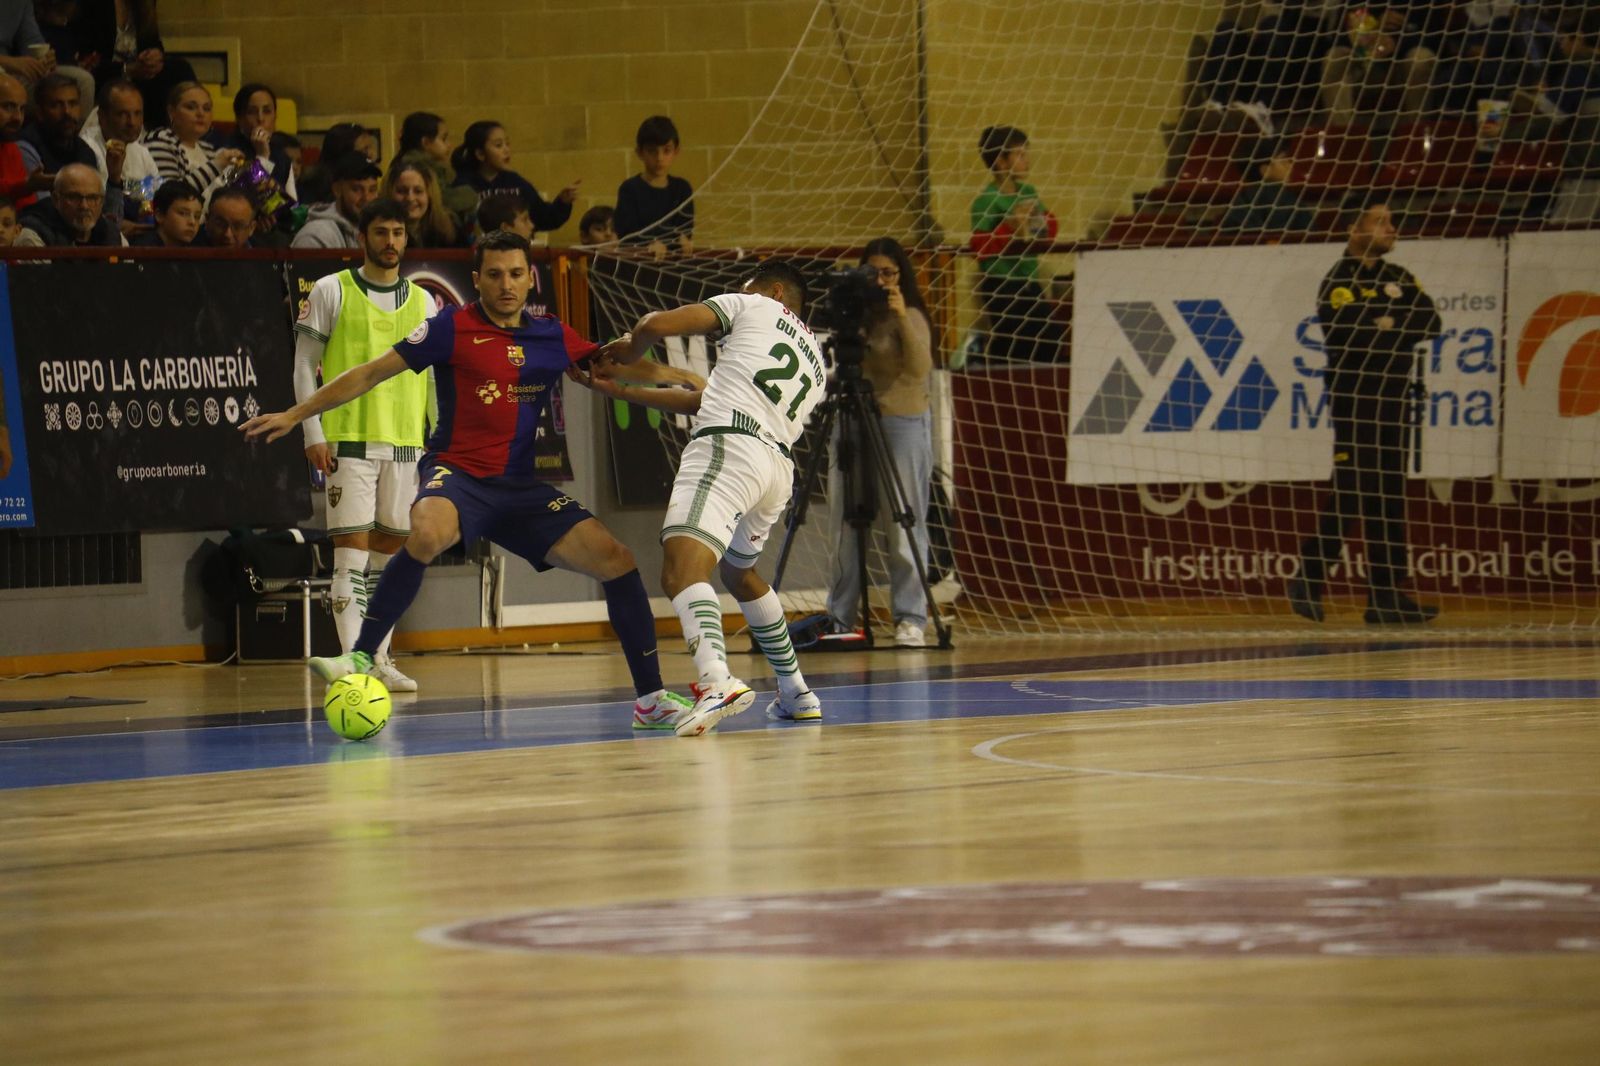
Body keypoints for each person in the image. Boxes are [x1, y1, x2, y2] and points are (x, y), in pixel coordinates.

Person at [241, 230, 694, 729]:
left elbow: (615, 361)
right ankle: (362, 657)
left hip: (520, 490)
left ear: (530, 278)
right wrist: (299, 414)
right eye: (495, 275)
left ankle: (651, 701)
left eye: (517, 274)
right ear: (476, 280)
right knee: (428, 531)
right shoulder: (448, 328)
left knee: (619, 562)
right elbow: (369, 373)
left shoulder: (552, 335)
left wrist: (687, 379)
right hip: (456, 475)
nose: (506, 285)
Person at [584, 260, 826, 737]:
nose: (740, 291)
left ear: (775, 292)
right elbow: (702, 398)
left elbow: (653, 324)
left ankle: (717, 680)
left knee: (680, 566)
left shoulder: (753, 305)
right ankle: (796, 691)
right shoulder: (814, 360)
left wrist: (628, 350)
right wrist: (617, 389)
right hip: (775, 468)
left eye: (749, 286)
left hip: (729, 447)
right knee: (739, 572)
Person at [290, 199, 433, 691]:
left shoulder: (424, 301)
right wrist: (313, 433)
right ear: (363, 238)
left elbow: (433, 379)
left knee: (388, 557)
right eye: (381, 231)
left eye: (398, 232)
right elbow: (303, 365)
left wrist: (437, 440)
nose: (390, 241)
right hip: (347, 439)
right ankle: (354, 666)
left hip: (406, 443)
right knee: (350, 552)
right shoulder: (333, 290)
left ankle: (378, 658)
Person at [1289, 201, 1442, 626]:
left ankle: (1385, 596)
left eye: (1392, 221)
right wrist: (1392, 326)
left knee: (1390, 496)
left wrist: (1388, 324)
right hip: (1357, 399)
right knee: (1354, 489)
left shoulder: (1399, 277)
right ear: (1354, 229)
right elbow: (1353, 334)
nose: (1392, 228)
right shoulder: (1339, 279)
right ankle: (1310, 576)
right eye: (1380, 222)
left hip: (1395, 398)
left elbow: (1430, 321)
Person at [820, 237, 935, 648]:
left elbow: (921, 368)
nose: (881, 280)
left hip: (902, 423)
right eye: (873, 272)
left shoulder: (913, 316)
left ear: (901, 276)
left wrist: (901, 315)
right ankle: (841, 618)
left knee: (904, 522)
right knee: (844, 524)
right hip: (853, 417)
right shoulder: (854, 316)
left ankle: (910, 618)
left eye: (889, 272)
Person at [969, 124, 1062, 364]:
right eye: (1020, 155)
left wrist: (1040, 221)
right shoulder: (986, 201)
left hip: (1029, 280)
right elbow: (979, 246)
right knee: (1012, 346)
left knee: (1049, 340)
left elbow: (1045, 232)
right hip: (1003, 284)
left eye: (1026, 153)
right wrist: (1009, 227)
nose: (1027, 160)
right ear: (1001, 162)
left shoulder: (1028, 191)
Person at [67, 0, 195, 123]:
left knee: (180, 69)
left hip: (139, 72)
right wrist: (127, 70)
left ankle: (191, 128)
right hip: (107, 75)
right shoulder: (94, 4)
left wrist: (155, 54)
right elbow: (87, 60)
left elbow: (153, 41)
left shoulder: (143, 4)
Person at [449, 119, 577, 233]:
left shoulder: (515, 182)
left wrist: (562, 203)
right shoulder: (463, 185)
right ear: (480, 154)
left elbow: (542, 217)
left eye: (507, 144)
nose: (506, 150)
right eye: (498, 145)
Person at [143, 81, 243, 202]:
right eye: (191, 107)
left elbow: (227, 190)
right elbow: (169, 197)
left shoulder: (207, 149)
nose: (201, 114)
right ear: (171, 112)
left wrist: (240, 173)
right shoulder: (160, 140)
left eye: (206, 108)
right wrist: (218, 164)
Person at [614, 115, 692, 259]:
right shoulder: (629, 189)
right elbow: (626, 233)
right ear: (640, 153)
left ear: (676, 151)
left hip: (674, 265)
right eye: (652, 151)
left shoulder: (682, 189)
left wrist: (682, 238)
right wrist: (649, 243)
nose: (659, 158)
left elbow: (685, 229)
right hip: (639, 265)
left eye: (666, 150)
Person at [83, 77, 156, 224]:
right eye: (123, 114)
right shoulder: (87, 148)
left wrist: (125, 186)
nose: (132, 123)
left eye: (137, 113)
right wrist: (139, 189)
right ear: (102, 117)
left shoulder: (141, 151)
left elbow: (155, 191)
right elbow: (100, 199)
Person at [1219, 139, 1316, 235]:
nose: (1289, 165)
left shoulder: (1241, 199)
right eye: (1283, 161)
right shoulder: (1284, 197)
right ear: (1265, 171)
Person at [222, 82, 297, 202]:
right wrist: (262, 157)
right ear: (239, 118)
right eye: (252, 112)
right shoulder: (228, 152)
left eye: (267, 111)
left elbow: (292, 206)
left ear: (275, 116)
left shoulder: (282, 157)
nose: (261, 119)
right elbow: (243, 196)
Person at [14, 159, 120, 244]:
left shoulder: (111, 233)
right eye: (74, 197)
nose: (84, 206)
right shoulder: (34, 235)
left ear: (101, 201)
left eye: (92, 198)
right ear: (56, 199)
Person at [396, 109, 474, 223]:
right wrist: (470, 195)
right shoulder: (419, 169)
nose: (449, 144)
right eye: (443, 139)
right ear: (426, 143)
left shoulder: (432, 166)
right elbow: (442, 200)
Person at [291, 152, 378, 249]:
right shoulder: (315, 237)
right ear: (337, 190)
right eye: (356, 189)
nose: (366, 198)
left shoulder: (378, 232)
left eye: (372, 190)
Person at [383, 157, 456, 248]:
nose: (410, 198)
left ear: (430, 195)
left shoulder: (450, 229)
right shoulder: (378, 234)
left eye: (418, 191)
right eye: (402, 191)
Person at [0, 72, 44, 210]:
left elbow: (27, 207)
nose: (18, 118)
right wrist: (26, 186)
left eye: (22, 109)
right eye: (8, 107)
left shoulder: (11, 148)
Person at [127, 176, 194, 245]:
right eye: (183, 213)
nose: (192, 222)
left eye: (197, 216)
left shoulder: (193, 247)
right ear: (159, 215)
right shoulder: (143, 250)